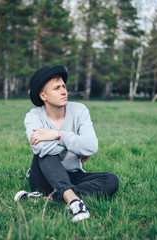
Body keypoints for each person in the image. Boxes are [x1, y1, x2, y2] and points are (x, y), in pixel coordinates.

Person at [15, 66, 119, 222]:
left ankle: (46, 199)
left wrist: (58, 135)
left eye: (64, 86)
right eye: (57, 88)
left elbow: (92, 146)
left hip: (73, 174)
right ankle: (74, 202)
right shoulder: (34, 116)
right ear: (43, 95)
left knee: (111, 180)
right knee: (46, 153)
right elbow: (40, 148)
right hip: (44, 177)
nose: (64, 91)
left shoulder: (80, 110)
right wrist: (76, 144)